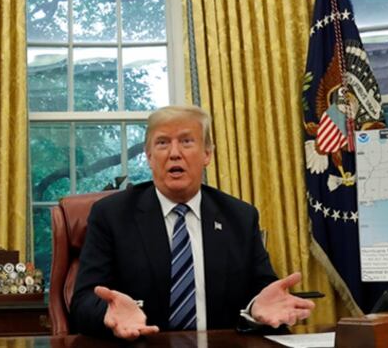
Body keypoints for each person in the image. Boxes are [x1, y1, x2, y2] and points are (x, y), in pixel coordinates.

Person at [70, 105, 315, 339]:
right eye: (162, 142)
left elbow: (263, 296)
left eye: (186, 141)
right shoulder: (112, 215)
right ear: (149, 156)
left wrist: (255, 310)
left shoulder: (239, 217)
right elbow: (83, 303)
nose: (174, 153)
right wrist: (108, 316)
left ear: (207, 154)